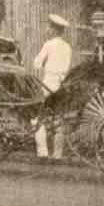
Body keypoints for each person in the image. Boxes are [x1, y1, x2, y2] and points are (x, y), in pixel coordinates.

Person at [32, 14, 72, 160]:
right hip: (61, 85)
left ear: (54, 30)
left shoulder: (48, 45)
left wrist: (44, 64)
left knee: (38, 118)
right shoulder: (67, 47)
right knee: (59, 120)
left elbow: (36, 63)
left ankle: (42, 153)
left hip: (48, 84)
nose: (47, 29)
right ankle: (58, 154)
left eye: (49, 27)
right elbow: (67, 66)